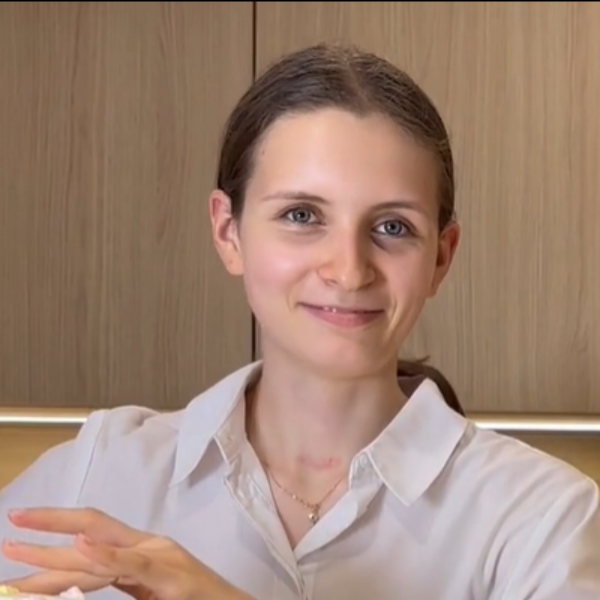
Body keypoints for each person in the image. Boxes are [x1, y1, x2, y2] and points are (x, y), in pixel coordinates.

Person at [1, 42, 599, 600]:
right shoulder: (96, 470)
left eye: (392, 227)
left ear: (440, 258)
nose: (348, 270)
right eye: (302, 215)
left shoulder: (543, 517)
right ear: (228, 232)